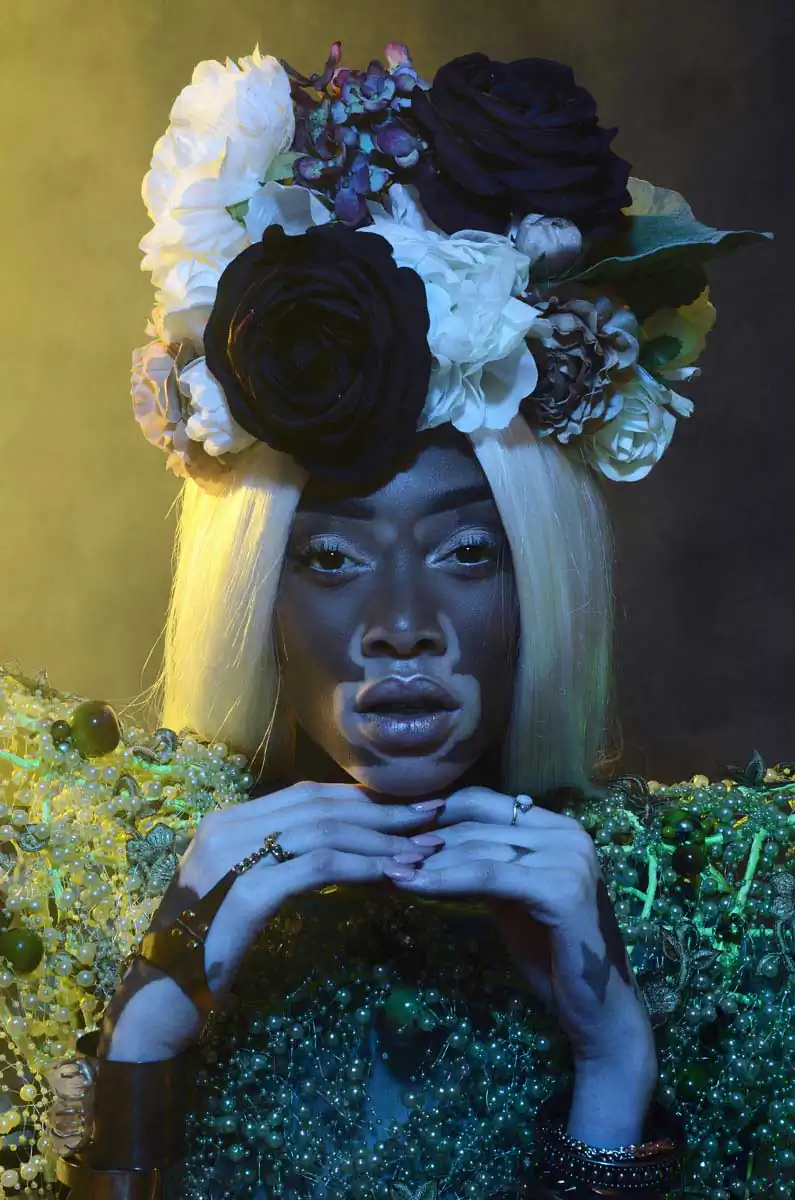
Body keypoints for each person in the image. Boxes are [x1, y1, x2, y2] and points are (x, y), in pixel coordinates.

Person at [0, 36, 786, 1200]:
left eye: (467, 552)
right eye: (331, 557)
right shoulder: (69, 880)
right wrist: (149, 1023)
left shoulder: (728, 916)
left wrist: (615, 1064)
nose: (403, 625)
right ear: (254, 587)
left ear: (542, 577)